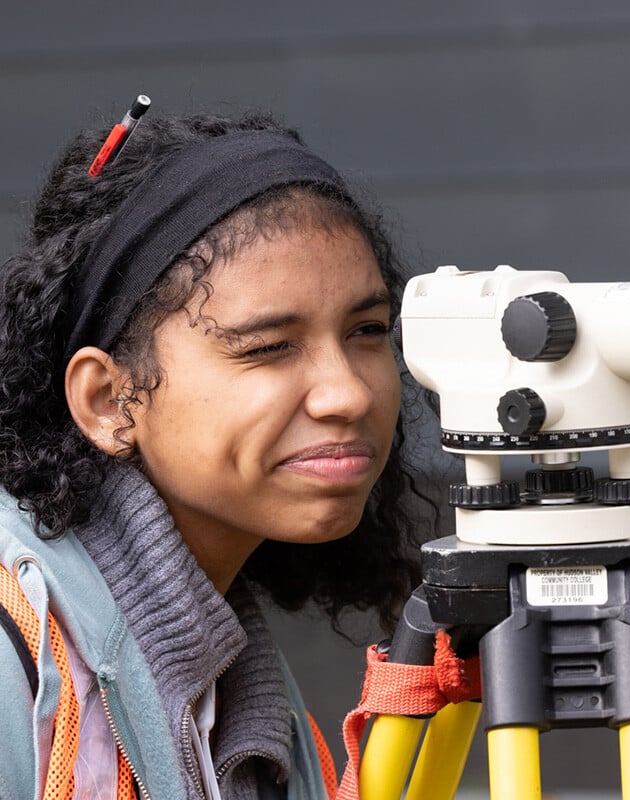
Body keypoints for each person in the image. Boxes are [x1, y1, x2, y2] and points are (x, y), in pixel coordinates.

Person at [0, 105, 433, 799]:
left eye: (368, 329)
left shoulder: (242, 688)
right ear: (109, 401)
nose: (347, 393)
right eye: (266, 348)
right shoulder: (16, 644)